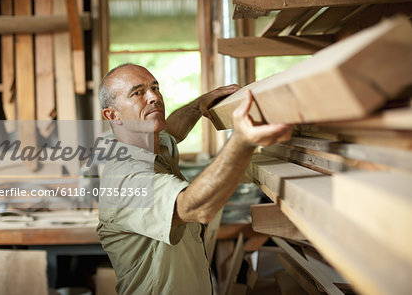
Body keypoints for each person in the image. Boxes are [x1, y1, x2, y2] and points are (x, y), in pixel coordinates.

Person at [96, 63, 292, 295]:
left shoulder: (148, 145)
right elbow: (194, 208)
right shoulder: (124, 179)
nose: (154, 97)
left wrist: (198, 106)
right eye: (138, 92)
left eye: (155, 87)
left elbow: (173, 131)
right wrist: (241, 141)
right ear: (112, 115)